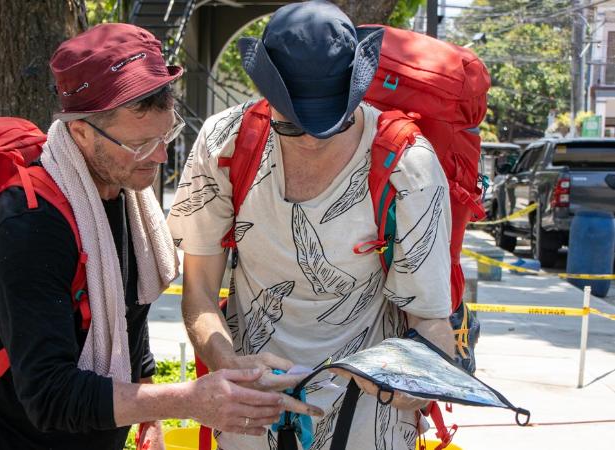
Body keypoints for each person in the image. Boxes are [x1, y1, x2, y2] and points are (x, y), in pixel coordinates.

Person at [0, 24, 320, 450]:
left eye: (166, 136)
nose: (161, 157)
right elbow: (48, 396)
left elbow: (127, 312)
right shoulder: (28, 226)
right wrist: (187, 400)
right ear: (81, 133)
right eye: (140, 144)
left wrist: (149, 417)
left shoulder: (121, 193)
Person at [167, 2, 455, 449]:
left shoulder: (408, 165)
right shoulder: (225, 142)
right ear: (266, 93)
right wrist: (230, 365)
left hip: (368, 421)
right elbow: (199, 295)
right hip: (250, 409)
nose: (311, 141)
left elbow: (430, 323)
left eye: (331, 123)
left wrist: (415, 384)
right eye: (292, 125)